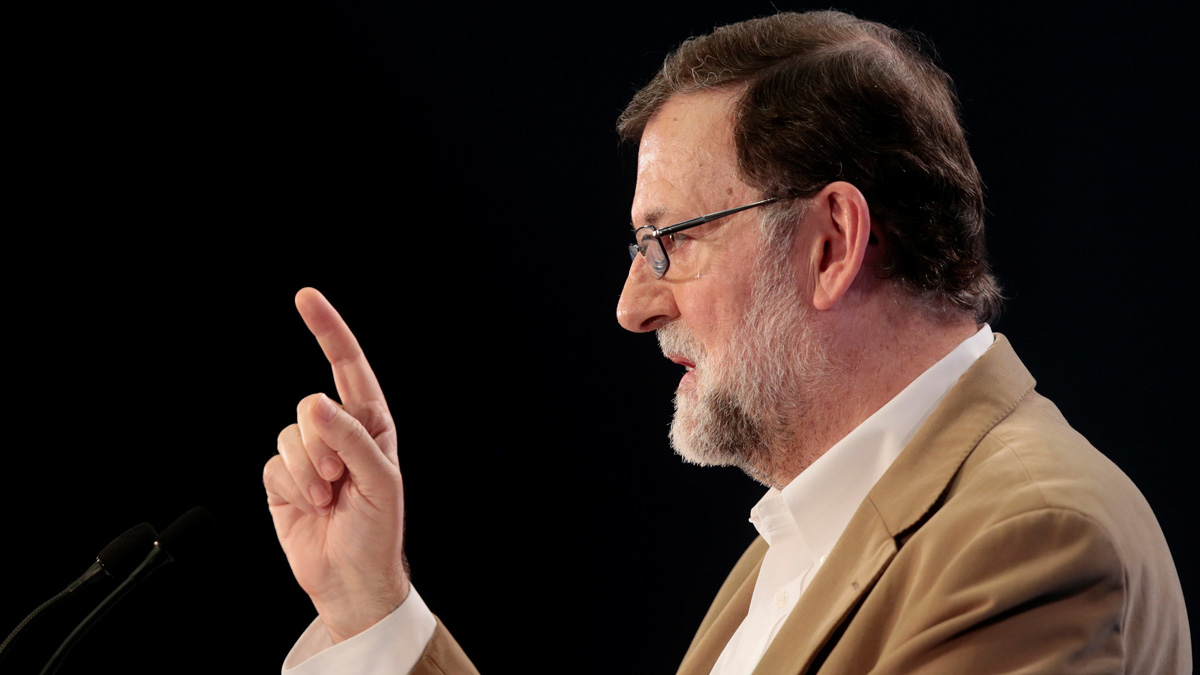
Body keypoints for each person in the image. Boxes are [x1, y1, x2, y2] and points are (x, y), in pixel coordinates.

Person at [262, 10, 1190, 674]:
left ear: (831, 244)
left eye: (668, 241)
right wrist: (371, 605)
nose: (631, 305)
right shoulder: (812, 532)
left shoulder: (1029, 540)